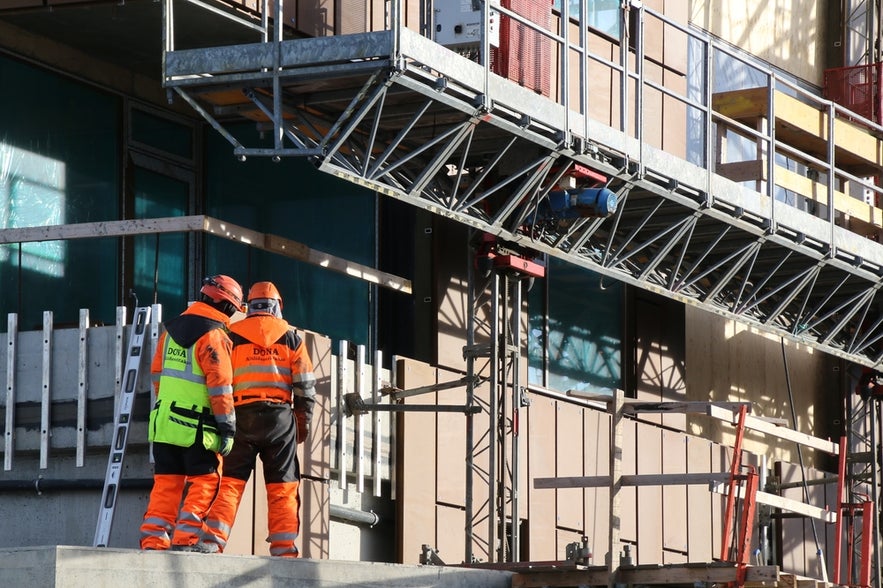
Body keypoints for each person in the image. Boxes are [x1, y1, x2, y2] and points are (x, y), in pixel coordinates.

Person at [201, 281, 316, 557]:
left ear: (249, 306)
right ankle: (284, 547)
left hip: (239, 417)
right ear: (277, 306)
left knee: (229, 482)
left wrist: (221, 419)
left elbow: (219, 378)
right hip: (279, 419)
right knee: (283, 486)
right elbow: (305, 388)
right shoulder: (292, 338)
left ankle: (212, 542)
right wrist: (301, 425)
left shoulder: (231, 334)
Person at [139, 274, 244, 552]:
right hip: (198, 429)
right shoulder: (214, 335)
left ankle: (153, 541)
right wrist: (228, 428)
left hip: (165, 425)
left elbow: (158, 376)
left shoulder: (169, 332)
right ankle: (185, 540)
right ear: (227, 306)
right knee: (207, 481)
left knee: (166, 486)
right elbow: (220, 387)